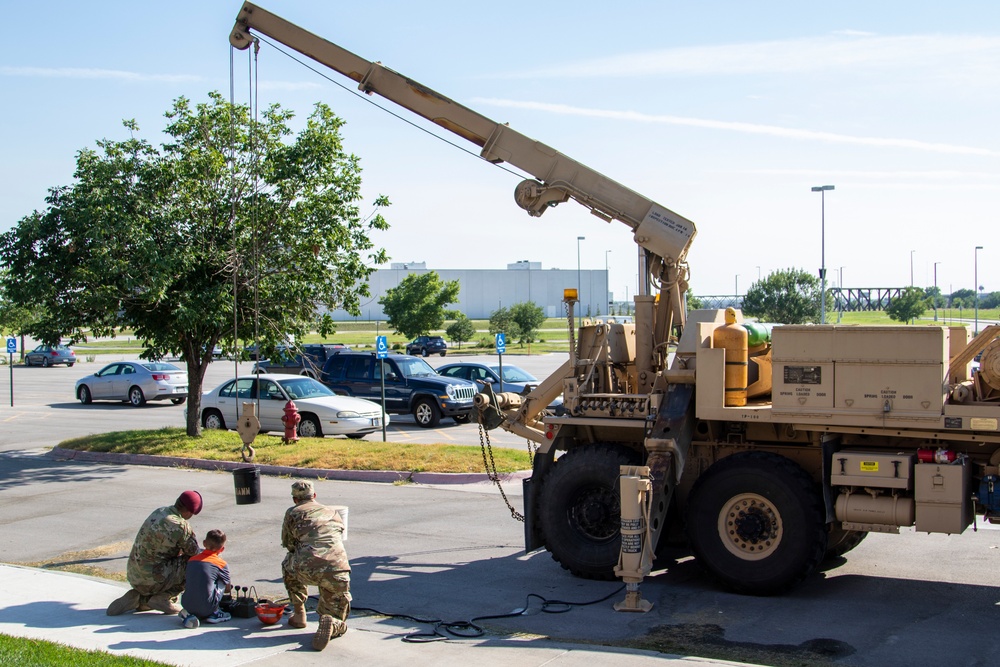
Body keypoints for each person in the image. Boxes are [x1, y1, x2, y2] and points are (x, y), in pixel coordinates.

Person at [106, 490, 202, 616]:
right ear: (189, 511)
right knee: (194, 564)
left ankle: (140, 599)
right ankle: (164, 598)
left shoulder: (159, 512)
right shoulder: (180, 526)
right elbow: (194, 553)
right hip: (154, 579)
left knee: (160, 563)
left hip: (134, 575)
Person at [281, 480, 351, 651]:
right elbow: (340, 535)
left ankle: (299, 614)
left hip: (306, 569)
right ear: (314, 496)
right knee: (335, 607)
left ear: (294, 499)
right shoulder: (333, 512)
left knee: (287, 564)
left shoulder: (293, 512)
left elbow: (288, 544)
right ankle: (333, 623)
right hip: (338, 570)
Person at [179, 529, 233, 629]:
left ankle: (188, 613)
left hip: (186, 603)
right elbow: (227, 589)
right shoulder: (221, 564)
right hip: (207, 608)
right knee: (222, 580)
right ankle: (214, 613)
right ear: (222, 549)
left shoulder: (191, 560)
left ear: (204, 543)